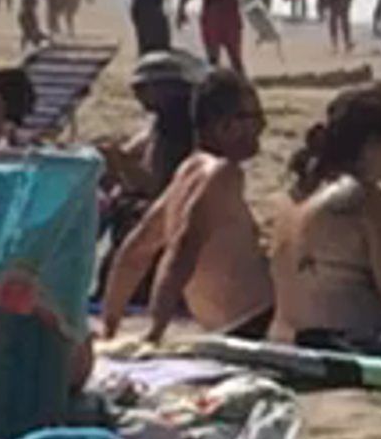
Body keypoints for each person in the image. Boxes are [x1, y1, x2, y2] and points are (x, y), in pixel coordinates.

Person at [264, 79, 381, 349]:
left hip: (286, 341)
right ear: (373, 142)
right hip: (354, 345)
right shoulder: (372, 204)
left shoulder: (291, 199)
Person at [107, 68, 279, 339]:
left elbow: (136, 250)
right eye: (254, 117)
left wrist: (110, 322)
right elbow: (183, 250)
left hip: (221, 326)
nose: (263, 126)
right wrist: (155, 332)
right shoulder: (223, 174)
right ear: (225, 125)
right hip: (255, 323)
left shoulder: (187, 171)